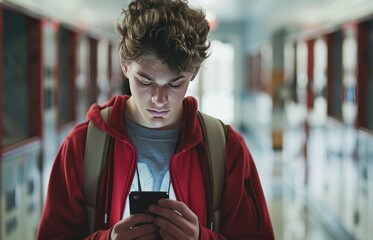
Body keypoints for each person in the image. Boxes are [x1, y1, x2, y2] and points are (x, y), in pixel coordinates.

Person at [37, 0, 275, 239]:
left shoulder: (226, 148)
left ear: (194, 73)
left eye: (175, 83)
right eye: (145, 81)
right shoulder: (83, 146)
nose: (159, 99)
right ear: (124, 65)